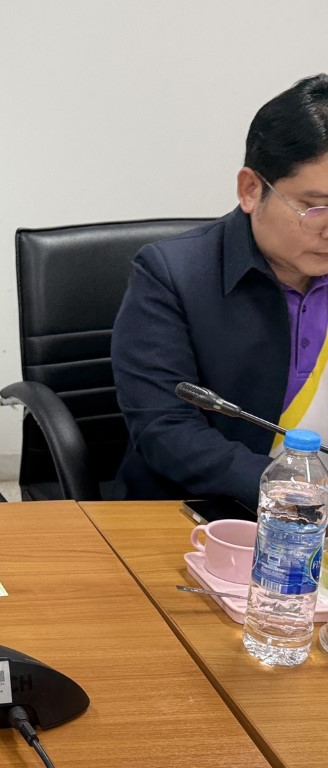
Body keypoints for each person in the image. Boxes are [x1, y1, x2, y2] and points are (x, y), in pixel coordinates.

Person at [112, 73, 328, 508]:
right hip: (205, 512)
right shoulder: (170, 275)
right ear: (251, 189)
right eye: (315, 207)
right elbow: (166, 430)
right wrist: (294, 495)